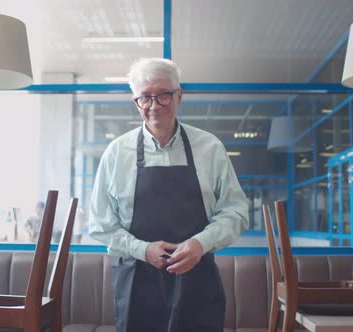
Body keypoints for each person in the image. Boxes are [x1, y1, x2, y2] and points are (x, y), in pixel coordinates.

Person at [89, 58, 249, 332]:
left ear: (179, 96)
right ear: (135, 101)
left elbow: (236, 211)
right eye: (145, 98)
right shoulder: (116, 153)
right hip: (136, 284)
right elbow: (100, 224)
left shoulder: (210, 148)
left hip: (198, 283)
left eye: (163, 95)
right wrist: (143, 249)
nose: (154, 106)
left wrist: (200, 244)